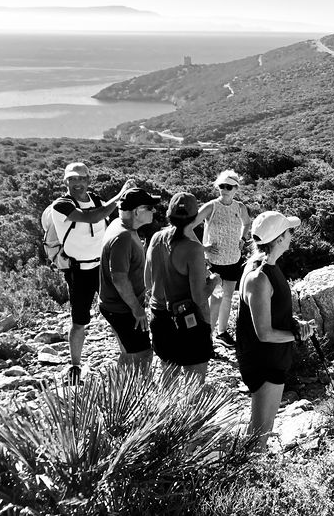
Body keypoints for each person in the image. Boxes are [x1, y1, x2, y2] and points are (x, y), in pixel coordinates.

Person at [47, 162, 136, 383]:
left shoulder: (95, 200)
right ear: (65, 181)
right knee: (79, 321)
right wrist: (120, 194)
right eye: (72, 179)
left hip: (102, 268)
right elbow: (92, 217)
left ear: (88, 180)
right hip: (79, 271)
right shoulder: (61, 205)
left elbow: (107, 216)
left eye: (81, 178)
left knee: (118, 315)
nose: (77, 183)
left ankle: (127, 357)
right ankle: (75, 365)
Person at [236, 211, 315, 451]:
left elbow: (272, 312)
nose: (292, 235)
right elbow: (264, 333)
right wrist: (300, 335)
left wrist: (294, 323)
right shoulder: (258, 277)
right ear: (279, 239)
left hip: (273, 358)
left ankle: (251, 471)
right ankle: (247, 477)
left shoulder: (268, 267)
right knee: (260, 431)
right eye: (289, 231)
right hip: (263, 360)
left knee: (263, 429)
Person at [146, 192, 216, 381]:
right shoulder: (193, 248)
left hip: (160, 316)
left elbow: (147, 281)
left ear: (169, 214)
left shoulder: (156, 239)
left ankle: (165, 412)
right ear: (195, 219)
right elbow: (199, 298)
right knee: (194, 386)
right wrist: (214, 282)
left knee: (168, 382)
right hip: (189, 321)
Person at [99, 187, 160, 369]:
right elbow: (118, 278)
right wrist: (136, 308)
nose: (154, 211)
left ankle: (121, 391)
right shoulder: (123, 237)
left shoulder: (118, 224)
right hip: (123, 308)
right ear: (136, 211)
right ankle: (129, 394)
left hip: (119, 305)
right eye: (149, 207)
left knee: (130, 352)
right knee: (141, 355)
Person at [189, 169, 251, 346]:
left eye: (228, 186)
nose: (224, 189)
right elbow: (189, 226)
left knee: (228, 297)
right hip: (213, 262)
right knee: (215, 300)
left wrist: (243, 239)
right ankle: (206, 337)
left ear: (236, 188)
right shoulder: (211, 206)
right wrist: (202, 247)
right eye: (221, 186)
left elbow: (247, 223)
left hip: (233, 259)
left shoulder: (240, 207)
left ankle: (222, 333)